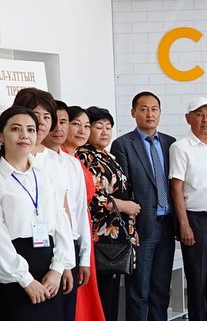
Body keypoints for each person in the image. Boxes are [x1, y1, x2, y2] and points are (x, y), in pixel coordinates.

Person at [0, 106, 74, 320]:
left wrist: (57, 268)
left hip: (48, 269)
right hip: (13, 272)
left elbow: (60, 220)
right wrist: (25, 280)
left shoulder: (43, 175)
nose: (24, 135)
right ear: (1, 136)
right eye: (16, 129)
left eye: (30, 130)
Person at [110, 92, 177, 321]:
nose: (150, 114)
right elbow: (122, 191)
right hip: (141, 228)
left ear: (160, 112)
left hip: (167, 226)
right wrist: (131, 228)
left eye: (154, 109)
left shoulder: (170, 143)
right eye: (144, 109)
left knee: (161, 290)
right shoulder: (123, 145)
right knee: (139, 291)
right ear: (133, 113)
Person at [169, 97, 207, 321]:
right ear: (188, 118)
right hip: (196, 221)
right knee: (198, 281)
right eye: (199, 114)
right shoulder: (180, 147)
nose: (205, 119)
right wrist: (184, 225)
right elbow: (176, 188)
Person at [77, 106, 139, 321]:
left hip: (117, 234)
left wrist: (131, 227)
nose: (104, 131)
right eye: (98, 127)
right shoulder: (84, 156)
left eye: (108, 127)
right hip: (100, 235)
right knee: (103, 294)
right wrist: (123, 206)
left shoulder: (107, 155)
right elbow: (91, 197)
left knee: (112, 294)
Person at [43, 101, 100, 321]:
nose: (58, 128)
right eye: (53, 121)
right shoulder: (36, 161)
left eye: (64, 122)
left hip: (72, 245)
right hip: (47, 245)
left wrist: (83, 257)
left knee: (69, 310)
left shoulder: (72, 163)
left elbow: (80, 213)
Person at [63, 106, 106, 321]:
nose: (82, 130)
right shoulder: (60, 159)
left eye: (86, 126)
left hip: (85, 228)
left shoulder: (76, 159)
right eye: (76, 124)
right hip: (70, 229)